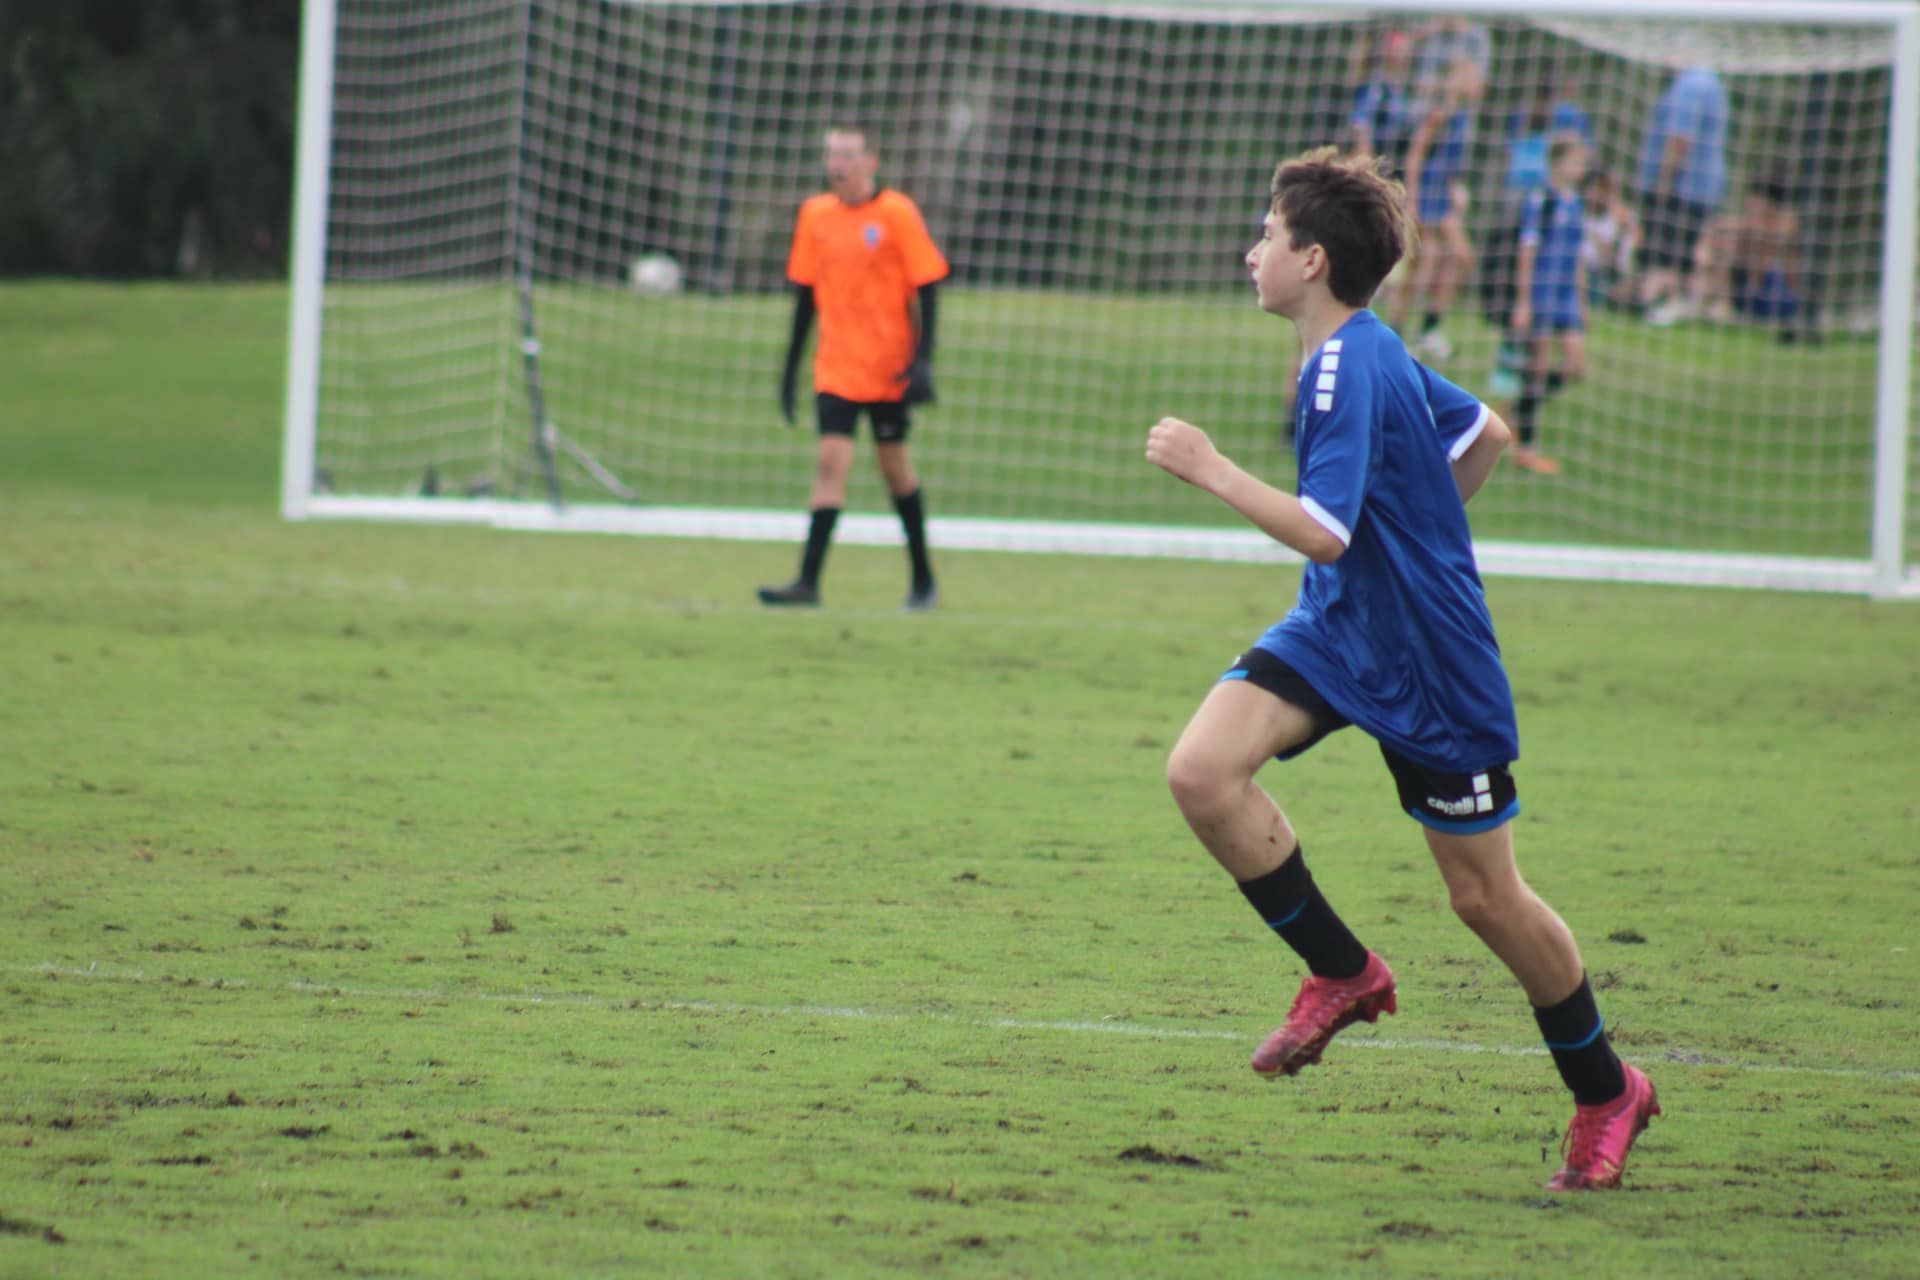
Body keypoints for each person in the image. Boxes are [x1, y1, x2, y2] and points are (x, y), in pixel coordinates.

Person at [1143, 147, 1658, 1191]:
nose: (1251, 252)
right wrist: (1415, 528)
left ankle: (1609, 1089)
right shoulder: (1365, 345)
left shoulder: (1346, 366)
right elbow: (1488, 434)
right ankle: (1344, 972)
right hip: (1339, 630)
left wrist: (1212, 467)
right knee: (1202, 771)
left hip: (1429, 659)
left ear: (1313, 260)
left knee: (1486, 899)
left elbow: (1326, 531)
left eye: (1267, 235)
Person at [758, 124, 949, 611]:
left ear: (871, 161)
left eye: (847, 155)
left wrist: (923, 361)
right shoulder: (815, 215)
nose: (837, 165)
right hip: (836, 368)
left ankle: (923, 580)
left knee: (895, 470)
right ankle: (807, 583)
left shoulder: (896, 214)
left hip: (888, 369)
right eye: (832, 155)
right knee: (830, 464)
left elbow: (928, 286)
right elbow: (805, 297)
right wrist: (789, 370)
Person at [1506, 134, 1591, 475]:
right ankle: (1526, 449)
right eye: (1576, 161)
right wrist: (1523, 301)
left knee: (1576, 365)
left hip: (1566, 295)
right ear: (1558, 163)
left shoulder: (1575, 203)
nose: (1581, 168)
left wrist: (1582, 300)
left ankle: (1516, 410)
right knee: (1538, 367)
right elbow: (1526, 252)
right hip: (1542, 292)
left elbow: (1578, 256)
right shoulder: (1542, 200)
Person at [1394, 55, 1481, 362]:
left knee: (1459, 257)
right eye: (1469, 75)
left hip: (1443, 194)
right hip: (1428, 193)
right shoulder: (1439, 112)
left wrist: (1457, 187)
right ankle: (1402, 333)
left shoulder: (1462, 115)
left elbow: (1450, 160)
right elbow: (1415, 156)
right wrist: (1413, 199)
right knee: (1426, 262)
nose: (1476, 81)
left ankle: (1427, 328)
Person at [1637, 63, 1730, 322]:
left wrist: (1664, 180)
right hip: (1702, 187)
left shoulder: (1690, 85)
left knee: (1666, 253)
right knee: (1685, 253)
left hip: (1683, 188)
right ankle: (1686, 306)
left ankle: (1660, 307)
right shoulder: (1711, 81)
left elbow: (1681, 138)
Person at [1688, 173, 1803, 336]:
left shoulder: (1787, 223)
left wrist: (1725, 230)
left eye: (1755, 198)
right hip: (1745, 291)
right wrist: (1706, 248)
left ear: (1769, 203)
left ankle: (1719, 308)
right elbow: (1714, 231)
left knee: (1731, 249)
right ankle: (1702, 307)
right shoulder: (1744, 224)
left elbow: (1765, 235)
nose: (1750, 203)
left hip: (1777, 295)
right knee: (1717, 256)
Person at [1580, 167, 1642, 312]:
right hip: (1586, 273)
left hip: (1611, 275)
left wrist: (1621, 229)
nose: (1598, 195)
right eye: (1595, 189)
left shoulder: (1623, 217)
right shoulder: (1577, 213)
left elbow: (1615, 260)